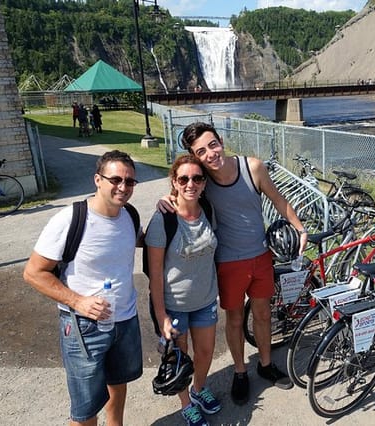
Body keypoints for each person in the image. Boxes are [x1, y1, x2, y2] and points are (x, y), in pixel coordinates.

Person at [167, 122, 308, 405]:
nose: (210, 154)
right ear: (196, 156)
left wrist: (300, 228)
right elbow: (181, 191)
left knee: (263, 313)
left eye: (213, 145)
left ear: (221, 140)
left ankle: (265, 364)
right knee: (234, 319)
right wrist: (166, 199)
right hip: (228, 262)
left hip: (260, 255)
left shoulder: (252, 167)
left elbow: (278, 200)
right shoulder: (203, 180)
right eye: (201, 151)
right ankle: (240, 371)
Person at [23, 150, 143, 426]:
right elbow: (33, 273)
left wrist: (171, 209)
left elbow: (145, 242)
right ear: (97, 180)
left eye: (130, 182)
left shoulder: (129, 216)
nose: (123, 187)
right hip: (83, 326)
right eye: (115, 180)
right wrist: (78, 302)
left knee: (118, 385)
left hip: (124, 320)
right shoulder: (70, 219)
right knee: (85, 410)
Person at [146, 155, 221, 426]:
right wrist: (161, 315)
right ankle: (186, 404)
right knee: (180, 359)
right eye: (184, 179)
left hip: (205, 299)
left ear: (203, 183)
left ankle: (198, 390)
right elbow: (155, 274)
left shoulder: (208, 210)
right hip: (174, 303)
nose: (191, 183)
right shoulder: (163, 219)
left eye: (197, 178)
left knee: (206, 351)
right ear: (174, 182)